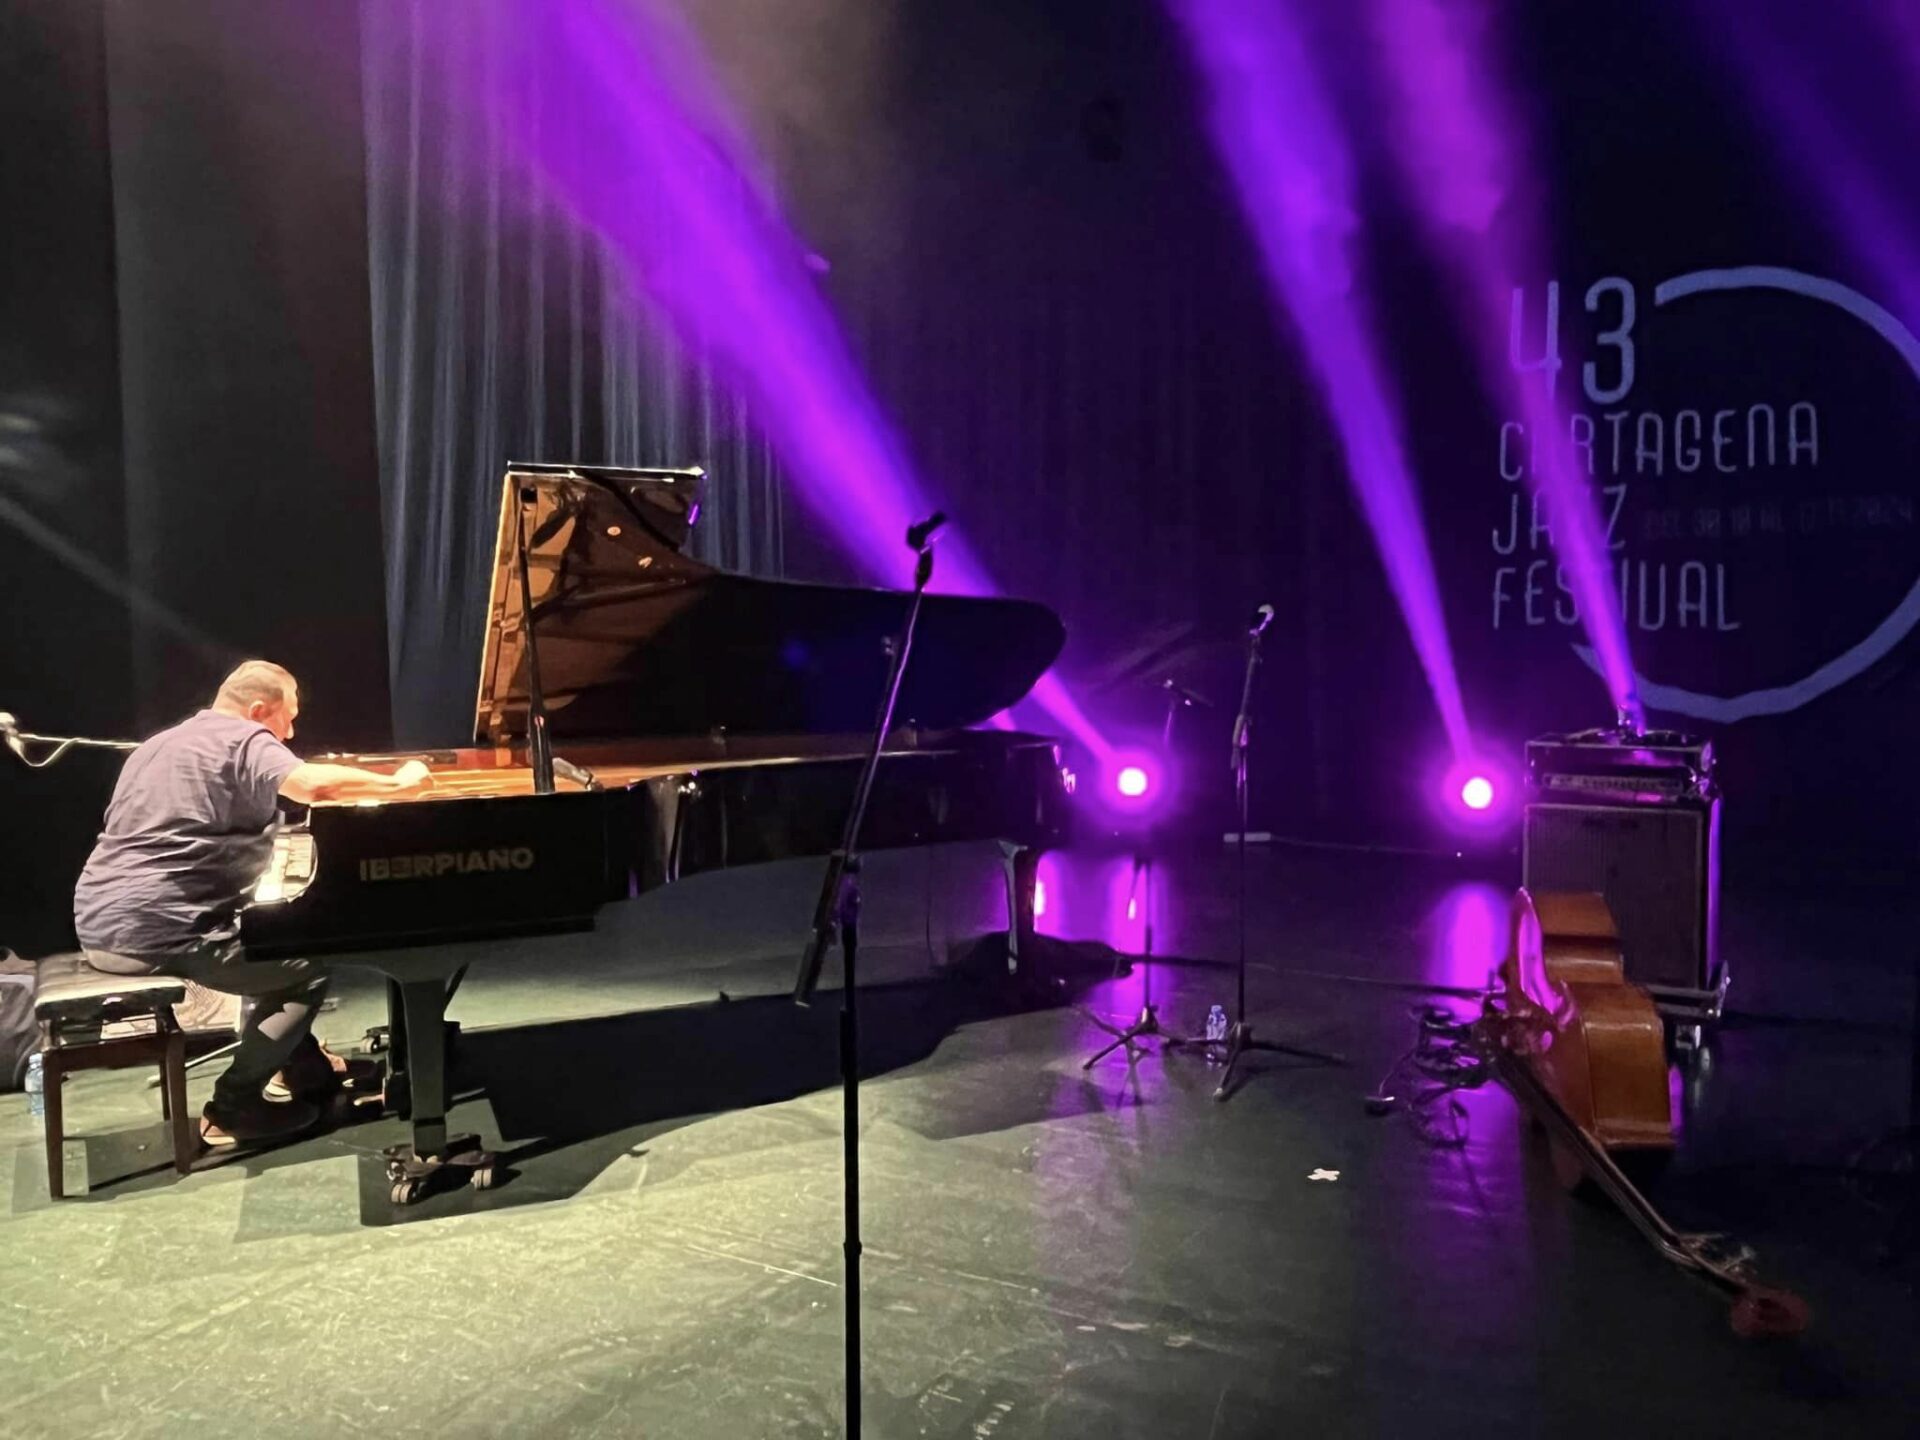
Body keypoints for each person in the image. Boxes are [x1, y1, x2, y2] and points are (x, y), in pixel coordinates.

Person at [73, 660, 434, 1147]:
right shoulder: (241, 738)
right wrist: (398, 783)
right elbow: (311, 786)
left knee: (268, 942)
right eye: (289, 718)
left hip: (97, 921)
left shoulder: (157, 746)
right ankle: (233, 1106)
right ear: (259, 710)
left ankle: (303, 1068)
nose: (291, 731)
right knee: (306, 967)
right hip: (160, 929)